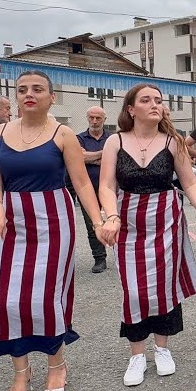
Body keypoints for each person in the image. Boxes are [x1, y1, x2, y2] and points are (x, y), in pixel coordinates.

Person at [0, 71, 102, 391]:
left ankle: (56, 364)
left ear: (51, 97)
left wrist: (100, 220)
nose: (28, 94)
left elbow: (82, 183)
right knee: (9, 299)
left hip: (53, 218)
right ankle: (20, 370)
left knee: (45, 298)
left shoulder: (62, 135)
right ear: (15, 96)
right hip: (10, 220)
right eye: (22, 89)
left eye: (37, 89)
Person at [98, 84, 196, 386]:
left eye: (158, 100)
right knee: (133, 289)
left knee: (164, 287)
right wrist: (110, 216)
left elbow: (190, 183)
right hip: (128, 221)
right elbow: (107, 186)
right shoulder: (115, 142)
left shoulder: (173, 141)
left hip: (165, 220)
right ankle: (136, 355)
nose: (154, 104)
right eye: (146, 100)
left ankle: (162, 348)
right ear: (131, 109)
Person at [76, 106, 111, 273]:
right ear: (87, 118)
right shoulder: (78, 138)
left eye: (98, 118)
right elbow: (79, 157)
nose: (95, 121)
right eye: (91, 118)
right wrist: (104, 154)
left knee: (117, 220)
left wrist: (90, 157)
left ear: (104, 119)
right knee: (92, 223)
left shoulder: (113, 138)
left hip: (112, 187)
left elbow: (117, 158)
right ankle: (99, 258)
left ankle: (124, 255)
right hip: (87, 188)